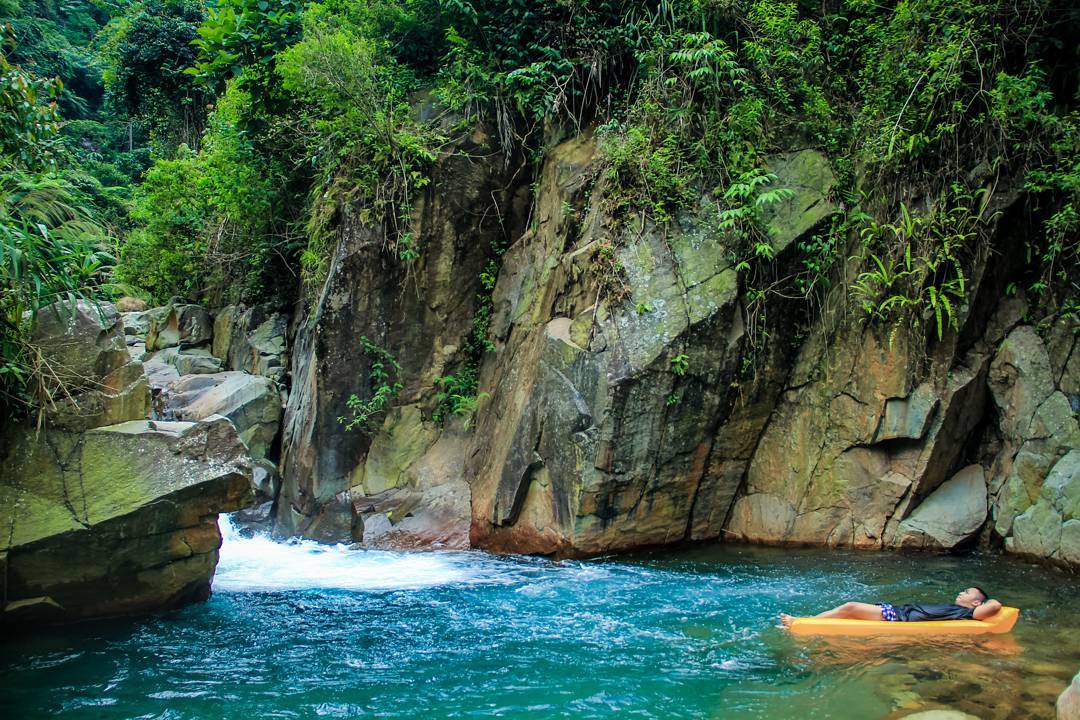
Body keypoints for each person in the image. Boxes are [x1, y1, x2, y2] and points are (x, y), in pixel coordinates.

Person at [779, 586, 1003, 628]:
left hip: (897, 616)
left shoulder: (968, 612)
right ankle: (807, 620)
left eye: (966, 593)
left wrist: (985, 603)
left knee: (849, 606)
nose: (960, 592)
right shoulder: (960, 610)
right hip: (898, 611)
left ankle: (803, 621)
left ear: (976, 602)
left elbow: (995, 606)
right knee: (849, 610)